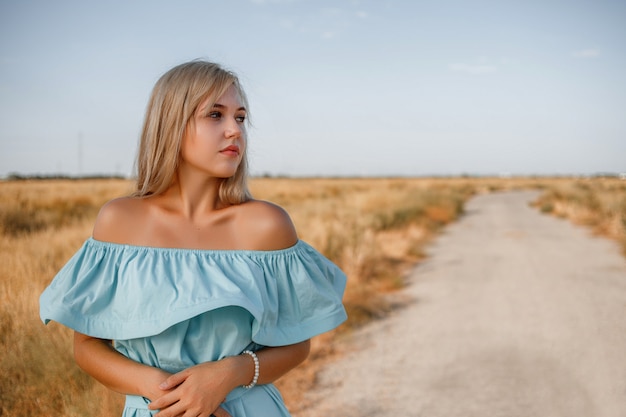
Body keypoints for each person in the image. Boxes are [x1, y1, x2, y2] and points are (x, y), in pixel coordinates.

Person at [39, 60, 347, 417]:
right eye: (215, 115)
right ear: (171, 123)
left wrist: (228, 374)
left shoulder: (266, 224)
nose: (234, 130)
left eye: (241, 117)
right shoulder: (119, 221)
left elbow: (297, 344)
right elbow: (87, 346)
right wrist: (171, 394)